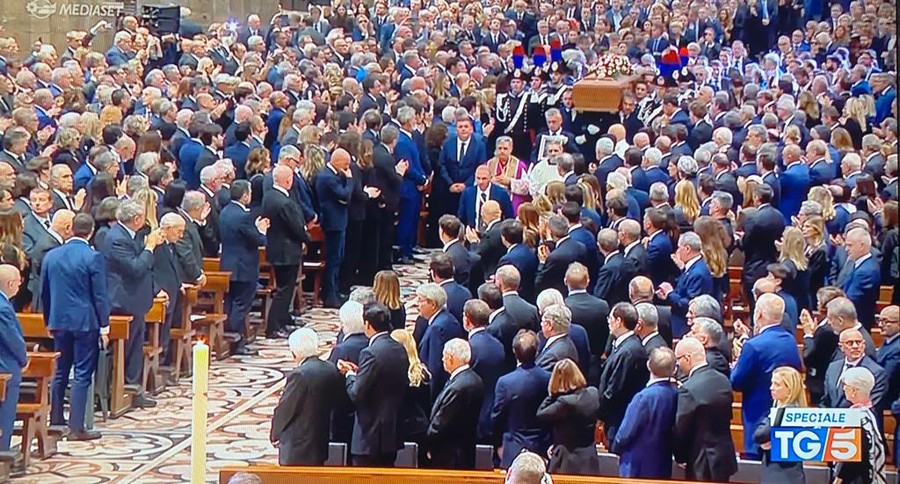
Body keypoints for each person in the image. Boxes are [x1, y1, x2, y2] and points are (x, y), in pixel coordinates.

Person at [42, 214, 110, 440]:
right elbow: (100, 295)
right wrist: (104, 325)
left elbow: (45, 292)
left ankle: (56, 419)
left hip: (59, 320)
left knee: (60, 371)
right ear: (90, 231)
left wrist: (48, 321)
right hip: (85, 322)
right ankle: (76, 426)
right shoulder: (93, 257)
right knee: (82, 372)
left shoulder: (51, 256)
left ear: (71, 229)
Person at [97, 200, 160, 409]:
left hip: (136, 301)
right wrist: (150, 247)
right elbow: (136, 268)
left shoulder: (127, 235)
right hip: (123, 302)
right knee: (127, 349)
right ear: (136, 219)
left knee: (135, 348)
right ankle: (121, 390)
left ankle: (133, 389)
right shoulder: (117, 239)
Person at [730, 293, 802, 459]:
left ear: (759, 314)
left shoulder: (753, 346)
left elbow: (736, 381)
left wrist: (737, 364)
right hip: (783, 413)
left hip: (758, 417)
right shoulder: (790, 340)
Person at [337, 303, 410, 467]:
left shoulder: (370, 352)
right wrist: (359, 373)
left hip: (370, 434)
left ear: (368, 325)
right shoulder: (399, 348)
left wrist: (349, 375)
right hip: (391, 430)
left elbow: (356, 393)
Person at [270, 328, 343, 466]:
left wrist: (275, 434)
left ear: (294, 352)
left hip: (297, 446)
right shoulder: (330, 368)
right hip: (320, 439)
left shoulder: (299, 375)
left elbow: (286, 409)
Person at [673, 338, 738, 482]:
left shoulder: (688, 389)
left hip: (700, 461)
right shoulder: (723, 380)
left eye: (678, 359)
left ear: (687, 358)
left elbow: (681, 428)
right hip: (724, 456)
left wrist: (680, 456)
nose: (677, 364)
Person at [612, 347, 678, 479]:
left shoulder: (643, 397)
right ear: (674, 369)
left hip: (637, 464)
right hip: (662, 461)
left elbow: (626, 431)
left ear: (648, 365)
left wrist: (616, 447)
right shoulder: (676, 394)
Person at [219, 180, 269, 354]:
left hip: (228, 263)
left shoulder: (225, 211)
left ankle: (231, 336)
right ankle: (235, 339)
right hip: (244, 266)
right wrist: (261, 229)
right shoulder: (244, 216)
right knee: (242, 304)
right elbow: (258, 240)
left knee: (231, 302)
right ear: (245, 195)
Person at [491, 330, 551, 469]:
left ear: (514, 352)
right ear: (537, 351)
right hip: (541, 445)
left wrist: (497, 445)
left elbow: (497, 417)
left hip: (512, 447)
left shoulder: (505, 382)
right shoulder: (548, 378)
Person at [262, 165, 310, 339]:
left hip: (277, 249)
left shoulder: (269, 196)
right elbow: (295, 227)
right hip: (287, 251)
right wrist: (306, 238)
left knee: (286, 289)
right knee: (284, 291)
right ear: (288, 180)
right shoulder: (284, 202)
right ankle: (274, 327)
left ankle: (283, 320)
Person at [426, 338, 484, 469]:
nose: (442, 360)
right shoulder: (474, 379)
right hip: (465, 450)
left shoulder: (458, 387)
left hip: (450, 455)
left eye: (444, 357)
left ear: (451, 358)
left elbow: (442, 422)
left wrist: (428, 442)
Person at [536, 359, 600, 476]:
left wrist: (552, 393)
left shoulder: (565, 402)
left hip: (567, 460)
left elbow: (541, 413)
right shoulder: (593, 393)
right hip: (589, 457)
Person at [598, 302, 649, 443]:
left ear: (619, 321)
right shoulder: (624, 346)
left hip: (619, 417)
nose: (608, 322)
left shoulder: (629, 351)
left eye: (610, 318)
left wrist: (599, 414)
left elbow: (615, 389)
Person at [315, 148, 355, 308]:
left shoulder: (332, 174)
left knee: (338, 258)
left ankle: (335, 291)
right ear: (337, 162)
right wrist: (350, 180)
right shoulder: (327, 177)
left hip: (339, 221)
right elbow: (344, 194)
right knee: (333, 259)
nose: (347, 169)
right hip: (333, 222)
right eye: (346, 165)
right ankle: (330, 295)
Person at [752, 366, 807, 484]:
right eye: (772, 383)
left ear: (790, 389)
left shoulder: (788, 413)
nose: (771, 388)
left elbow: (759, 435)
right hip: (779, 472)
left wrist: (766, 440)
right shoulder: (780, 409)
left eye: (777, 384)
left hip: (783, 476)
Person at [834, 367, 888, 484]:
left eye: (846, 386)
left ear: (854, 391)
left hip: (858, 478)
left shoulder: (858, 418)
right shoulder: (870, 412)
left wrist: (840, 477)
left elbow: (857, 453)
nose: (843, 389)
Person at [656, 232, 715, 338]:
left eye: (679, 247)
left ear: (687, 249)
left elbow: (689, 304)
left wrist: (670, 293)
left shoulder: (697, 273)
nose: (677, 251)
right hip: (678, 317)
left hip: (684, 324)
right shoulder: (691, 268)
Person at [462, 299, 505, 444]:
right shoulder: (498, 344)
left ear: (467, 319)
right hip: (493, 407)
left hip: (475, 413)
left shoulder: (470, 348)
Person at [390, 329, 432, 467]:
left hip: (398, 428)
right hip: (419, 426)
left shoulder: (395, 372)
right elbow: (427, 403)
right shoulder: (423, 373)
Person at [822, 328, 887, 410]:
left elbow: (872, 404)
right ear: (841, 347)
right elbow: (826, 400)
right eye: (850, 343)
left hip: (859, 419)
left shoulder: (876, 372)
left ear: (863, 345)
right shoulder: (833, 367)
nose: (855, 346)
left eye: (858, 342)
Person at [0, 264, 26, 450]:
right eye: (18, 282)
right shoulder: (3, 308)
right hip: (5, 367)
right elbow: (13, 340)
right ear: (10, 284)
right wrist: (24, 359)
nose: (20, 285)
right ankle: (3, 451)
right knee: (6, 413)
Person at [875, 306, 899, 411]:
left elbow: (886, 377)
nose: (880, 325)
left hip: (888, 399)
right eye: (879, 320)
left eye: (886, 321)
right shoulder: (889, 341)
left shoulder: (897, 348)